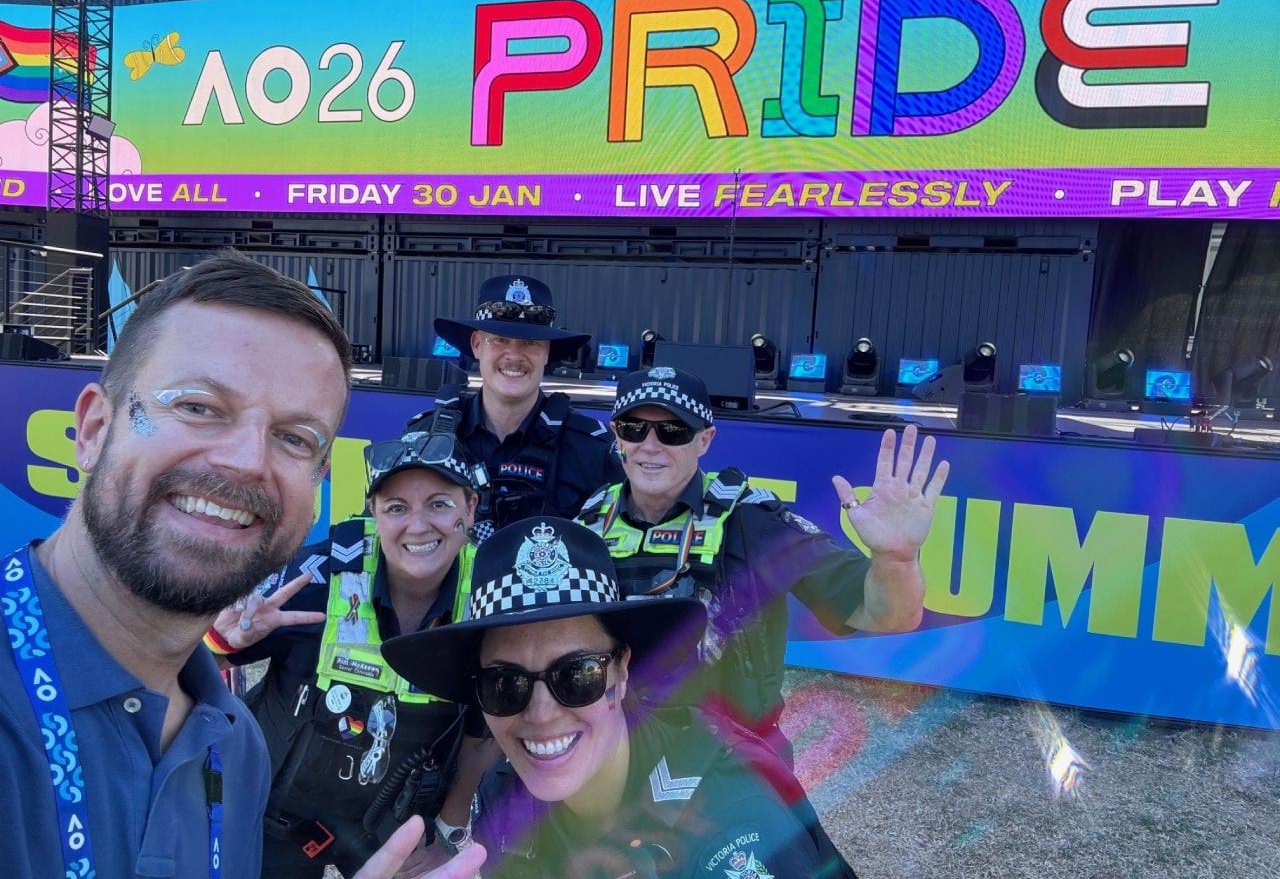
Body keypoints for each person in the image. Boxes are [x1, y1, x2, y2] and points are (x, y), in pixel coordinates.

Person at [0, 251, 484, 879]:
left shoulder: (235, 746)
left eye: (295, 437)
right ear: (93, 428)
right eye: (200, 406)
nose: (246, 461)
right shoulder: (328, 578)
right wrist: (228, 638)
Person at [382, 517, 857, 879]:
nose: (541, 714)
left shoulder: (735, 827)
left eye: (578, 676)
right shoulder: (506, 793)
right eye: (505, 684)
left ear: (622, 670)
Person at [576, 366, 949, 759]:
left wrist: (896, 559)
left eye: (673, 432)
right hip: (614, 752)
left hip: (730, 758)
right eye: (634, 428)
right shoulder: (587, 521)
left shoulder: (752, 520)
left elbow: (886, 614)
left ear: (705, 440)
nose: (650, 445)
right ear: (616, 434)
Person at [215, 412, 496, 877]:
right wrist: (222, 638)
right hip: (270, 819)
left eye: (440, 505)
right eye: (397, 507)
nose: (419, 526)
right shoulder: (321, 573)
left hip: (392, 829)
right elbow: (211, 658)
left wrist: (447, 831)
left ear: (470, 508)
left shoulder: (489, 593)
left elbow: (484, 735)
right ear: (374, 512)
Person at [433, 274, 623, 541]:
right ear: (477, 345)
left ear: (546, 351)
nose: (514, 355)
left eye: (530, 343)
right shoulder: (430, 437)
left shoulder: (592, 450)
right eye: (499, 340)